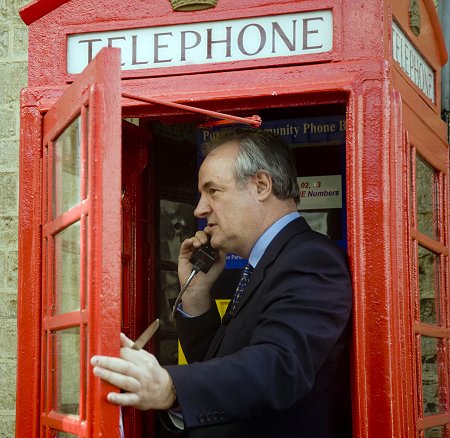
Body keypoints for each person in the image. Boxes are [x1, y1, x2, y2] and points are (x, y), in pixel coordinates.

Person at [91, 127, 353, 437]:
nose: (200, 209)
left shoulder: (309, 258)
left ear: (260, 185)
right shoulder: (269, 260)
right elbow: (225, 363)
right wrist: (198, 293)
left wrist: (172, 387)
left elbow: (279, 366)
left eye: (212, 191)